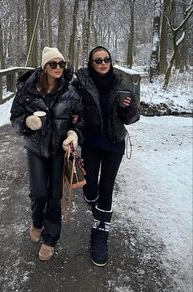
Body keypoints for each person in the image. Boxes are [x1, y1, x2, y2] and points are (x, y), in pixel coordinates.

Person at [10, 47, 84, 261]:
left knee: (54, 196)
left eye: (62, 64)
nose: (59, 68)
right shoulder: (27, 90)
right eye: (53, 64)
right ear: (45, 67)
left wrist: (74, 133)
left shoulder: (71, 92)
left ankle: (50, 239)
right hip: (35, 149)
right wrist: (27, 122)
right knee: (38, 193)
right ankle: (37, 222)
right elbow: (15, 119)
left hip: (59, 152)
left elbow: (80, 119)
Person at [72, 46, 140, 266]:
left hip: (114, 143)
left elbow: (132, 118)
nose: (103, 63)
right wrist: (73, 117)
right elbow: (68, 103)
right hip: (91, 143)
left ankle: (100, 235)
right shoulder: (80, 84)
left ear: (111, 61)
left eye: (106, 59)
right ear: (91, 63)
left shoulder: (121, 84)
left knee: (107, 187)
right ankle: (94, 202)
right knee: (90, 187)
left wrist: (126, 109)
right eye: (98, 60)